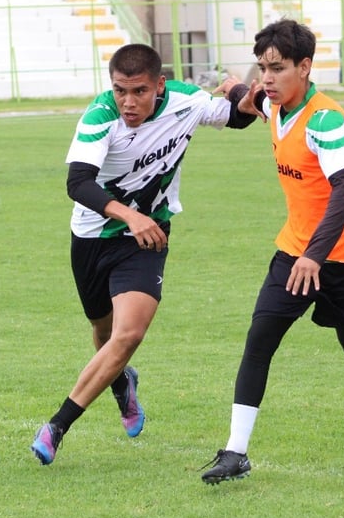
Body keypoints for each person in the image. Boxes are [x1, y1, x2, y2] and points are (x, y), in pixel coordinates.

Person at [200, 19, 344, 485]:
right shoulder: (273, 103)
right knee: (260, 339)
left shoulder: (327, 120)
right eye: (263, 68)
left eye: (277, 68)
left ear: (306, 67)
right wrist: (236, 87)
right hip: (295, 247)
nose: (268, 78)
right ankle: (235, 453)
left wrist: (316, 256)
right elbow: (248, 98)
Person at [30, 43, 258, 465]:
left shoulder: (187, 102)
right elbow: (78, 183)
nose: (128, 102)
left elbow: (241, 117)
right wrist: (128, 216)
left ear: (159, 85)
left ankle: (56, 426)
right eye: (119, 91)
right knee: (104, 333)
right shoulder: (100, 116)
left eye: (138, 91)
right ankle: (122, 383)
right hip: (93, 238)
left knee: (129, 334)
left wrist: (240, 91)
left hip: (147, 238)